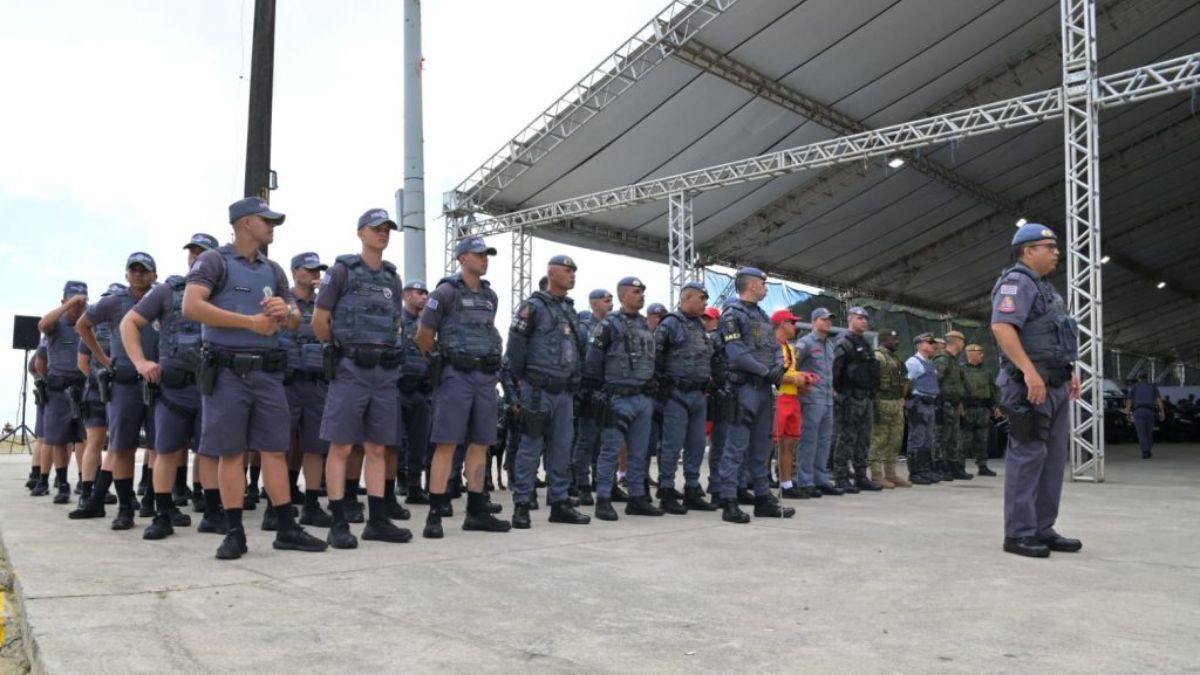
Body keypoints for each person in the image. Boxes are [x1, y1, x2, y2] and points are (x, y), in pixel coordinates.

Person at [184, 197, 328, 559]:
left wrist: (288, 311)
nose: (272, 226)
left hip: (267, 373)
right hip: (227, 372)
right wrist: (250, 323)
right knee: (231, 454)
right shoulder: (214, 260)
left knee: (274, 451)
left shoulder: (274, 269)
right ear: (246, 223)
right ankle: (234, 533)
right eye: (267, 220)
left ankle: (286, 527)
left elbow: (295, 319)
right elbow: (192, 306)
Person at [313, 208, 413, 548]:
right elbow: (320, 319)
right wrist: (339, 352)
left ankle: (378, 519)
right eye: (376, 229)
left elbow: (396, 325)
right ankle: (338, 521)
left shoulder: (392, 278)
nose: (382, 234)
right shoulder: (342, 270)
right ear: (361, 233)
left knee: (378, 447)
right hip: (351, 368)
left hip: (383, 372)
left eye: (387, 229)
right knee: (341, 445)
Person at [991, 222, 1082, 558]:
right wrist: (1030, 372)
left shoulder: (1046, 288)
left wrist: (1070, 372)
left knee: (1054, 459)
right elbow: (1002, 327)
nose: (1056, 252)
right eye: (1049, 247)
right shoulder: (1017, 282)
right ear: (1028, 251)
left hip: (1054, 383)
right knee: (1028, 457)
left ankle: (1042, 528)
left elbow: (1055, 336)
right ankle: (1018, 533)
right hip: (1030, 386)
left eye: (1056, 247)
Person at [121, 235, 220, 539]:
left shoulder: (227, 291)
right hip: (173, 389)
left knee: (211, 453)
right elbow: (129, 323)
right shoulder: (167, 291)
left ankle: (214, 514)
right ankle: (162, 515)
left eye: (203, 253)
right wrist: (140, 363)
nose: (196, 257)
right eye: (193, 252)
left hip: (213, 386)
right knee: (164, 451)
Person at [416, 235, 512, 538]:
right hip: (456, 375)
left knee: (481, 443)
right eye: (479, 254)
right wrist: (441, 362)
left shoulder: (490, 296)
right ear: (462, 258)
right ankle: (435, 512)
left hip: (484, 378)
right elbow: (424, 334)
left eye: (487, 255)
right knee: (446, 443)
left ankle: (476, 509)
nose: (485, 259)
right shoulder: (445, 292)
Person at [71, 253, 159, 529]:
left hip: (158, 383)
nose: (138, 275)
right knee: (122, 448)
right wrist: (104, 358)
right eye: (133, 270)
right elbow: (82, 325)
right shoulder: (114, 302)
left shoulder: (162, 299)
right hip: (124, 384)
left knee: (161, 447)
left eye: (144, 270)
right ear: (126, 275)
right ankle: (124, 509)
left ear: (154, 275)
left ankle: (156, 505)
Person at [505, 254, 591, 528]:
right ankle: (521, 505)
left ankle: (560, 502)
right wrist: (522, 383)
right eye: (567, 271)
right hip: (538, 390)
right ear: (552, 273)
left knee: (562, 450)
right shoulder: (533, 307)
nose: (572, 275)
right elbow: (515, 348)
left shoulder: (569, 309)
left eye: (574, 271)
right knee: (530, 448)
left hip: (564, 392)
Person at [716, 268, 794, 523]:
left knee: (762, 446)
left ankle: (763, 497)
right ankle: (728, 500)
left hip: (762, 388)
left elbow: (773, 347)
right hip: (744, 388)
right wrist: (767, 372)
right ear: (750, 286)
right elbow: (736, 353)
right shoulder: (732, 314)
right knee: (736, 445)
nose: (765, 287)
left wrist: (775, 369)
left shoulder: (761, 315)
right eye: (762, 283)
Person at [584, 277, 662, 520]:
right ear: (623, 296)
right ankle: (604, 499)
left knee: (639, 452)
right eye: (637, 292)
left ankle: (637, 498)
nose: (641, 296)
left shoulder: (644, 325)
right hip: (617, 397)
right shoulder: (609, 325)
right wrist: (601, 392)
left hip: (642, 398)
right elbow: (592, 362)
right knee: (610, 450)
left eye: (642, 292)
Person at [654, 280, 719, 513]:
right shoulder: (670, 323)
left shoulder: (700, 326)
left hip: (699, 394)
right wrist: (661, 393)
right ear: (688, 298)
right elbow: (656, 359)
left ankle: (692, 488)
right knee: (672, 445)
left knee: (696, 445)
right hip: (676, 393)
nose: (704, 303)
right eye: (701, 298)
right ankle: (667, 489)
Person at [280, 252, 334, 527]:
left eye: (318, 270)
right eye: (309, 269)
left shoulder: (325, 306)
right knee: (279, 446)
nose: (315, 274)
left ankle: (312, 504)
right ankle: (278, 504)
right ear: (294, 272)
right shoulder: (283, 302)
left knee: (315, 447)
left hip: (316, 384)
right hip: (286, 383)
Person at [36, 281, 89, 504]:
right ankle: (62, 484)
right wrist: (67, 307)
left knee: (86, 439)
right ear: (64, 300)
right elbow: (42, 324)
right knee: (58, 439)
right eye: (74, 301)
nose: (78, 306)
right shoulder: (56, 324)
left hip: (84, 386)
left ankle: (85, 482)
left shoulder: (89, 323)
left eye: (82, 301)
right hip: (59, 388)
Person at [831, 307, 883, 492]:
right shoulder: (843, 342)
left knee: (864, 439)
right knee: (846, 438)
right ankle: (841, 477)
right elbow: (835, 370)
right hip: (850, 398)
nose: (864, 322)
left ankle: (861, 476)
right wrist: (838, 393)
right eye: (860, 318)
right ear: (850, 319)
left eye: (866, 319)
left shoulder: (865, 343)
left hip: (865, 397)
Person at [571, 288, 613, 504]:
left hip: (610, 391)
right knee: (585, 441)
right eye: (606, 301)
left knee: (608, 441)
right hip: (588, 391)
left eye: (611, 300)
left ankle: (605, 482)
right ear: (594, 304)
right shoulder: (582, 330)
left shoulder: (614, 326)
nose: (611, 304)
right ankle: (582, 484)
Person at [794, 307, 841, 498]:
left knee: (824, 440)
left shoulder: (830, 345)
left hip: (827, 399)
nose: (828, 322)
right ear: (814, 322)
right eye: (823, 319)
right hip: (811, 399)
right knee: (809, 440)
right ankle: (805, 481)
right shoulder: (805, 343)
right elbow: (792, 367)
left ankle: (821, 479)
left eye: (829, 319)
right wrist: (802, 386)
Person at [398, 279, 433, 504]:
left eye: (425, 294)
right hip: (398, 389)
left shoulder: (428, 326)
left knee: (420, 441)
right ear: (406, 295)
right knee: (397, 441)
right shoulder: (396, 321)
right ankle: (399, 481)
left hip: (422, 390)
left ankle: (414, 486)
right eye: (419, 293)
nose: (423, 297)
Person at [771, 309, 809, 499]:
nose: (795, 326)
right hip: (776, 399)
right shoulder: (771, 346)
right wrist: (796, 380)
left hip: (792, 399)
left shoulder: (790, 348)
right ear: (782, 324)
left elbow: (790, 373)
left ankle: (786, 484)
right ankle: (761, 484)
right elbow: (771, 374)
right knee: (768, 443)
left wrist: (804, 381)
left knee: (789, 444)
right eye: (792, 323)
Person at [868, 330, 910, 487]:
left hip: (896, 403)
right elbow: (871, 380)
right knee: (879, 439)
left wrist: (901, 398)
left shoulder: (895, 359)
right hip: (882, 402)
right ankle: (876, 474)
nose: (897, 341)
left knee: (895, 440)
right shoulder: (878, 357)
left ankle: (891, 474)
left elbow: (904, 379)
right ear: (884, 340)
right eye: (894, 339)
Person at [933, 331, 972, 480]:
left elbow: (958, 384)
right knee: (942, 436)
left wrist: (960, 404)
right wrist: (938, 404)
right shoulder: (943, 359)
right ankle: (938, 466)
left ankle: (952, 466)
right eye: (962, 341)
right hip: (944, 403)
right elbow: (936, 381)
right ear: (956, 342)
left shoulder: (954, 360)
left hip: (954, 404)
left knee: (953, 437)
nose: (964, 344)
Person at [904, 333, 940, 486]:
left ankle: (925, 470)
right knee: (917, 437)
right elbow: (907, 382)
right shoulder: (913, 362)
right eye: (929, 342)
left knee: (927, 439)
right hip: (918, 403)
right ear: (919, 344)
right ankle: (915, 472)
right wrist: (904, 399)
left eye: (933, 342)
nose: (932, 345)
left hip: (930, 403)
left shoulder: (930, 363)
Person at [961, 344, 1000, 476]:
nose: (982, 355)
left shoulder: (986, 371)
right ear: (970, 354)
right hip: (967, 408)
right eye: (979, 352)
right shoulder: (962, 370)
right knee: (964, 439)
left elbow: (993, 389)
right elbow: (958, 390)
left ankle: (982, 466)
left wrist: (996, 406)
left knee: (982, 439)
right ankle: (959, 466)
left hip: (983, 408)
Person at [1125, 373, 1164, 459]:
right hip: (1150, 412)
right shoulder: (1153, 387)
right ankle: (1148, 450)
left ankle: (1145, 451)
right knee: (1149, 432)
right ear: (1147, 378)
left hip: (1138, 412)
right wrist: (1162, 412)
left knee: (1141, 432)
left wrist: (1127, 413)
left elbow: (1129, 401)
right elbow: (1159, 401)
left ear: (1138, 378)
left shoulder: (1134, 387)